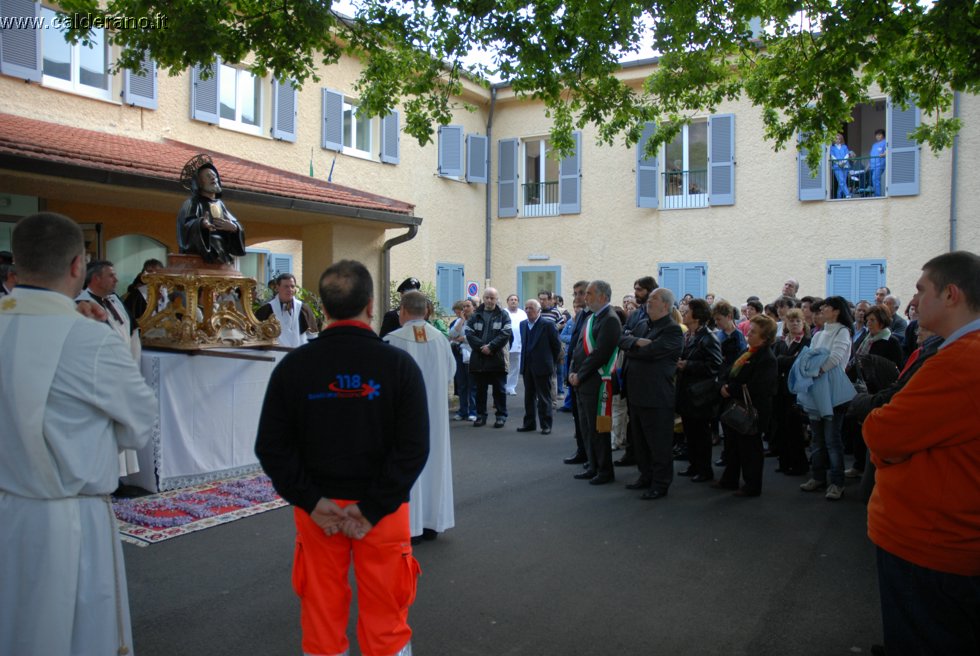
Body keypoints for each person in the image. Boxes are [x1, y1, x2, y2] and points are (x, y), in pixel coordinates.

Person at [0, 212, 156, 656]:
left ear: (17, 266)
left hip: (6, 506)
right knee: (72, 635)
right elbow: (140, 421)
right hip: (67, 520)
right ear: (76, 266)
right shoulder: (88, 338)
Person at [255, 259, 429, 656]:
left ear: (323, 309)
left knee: (321, 617)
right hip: (383, 514)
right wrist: (372, 508)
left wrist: (312, 501)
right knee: (386, 619)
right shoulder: (398, 366)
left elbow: (271, 447)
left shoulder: (294, 367)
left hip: (320, 514)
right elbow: (414, 448)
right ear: (371, 305)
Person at [864, 251, 980, 655]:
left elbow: (881, 432)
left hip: (930, 540)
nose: (913, 302)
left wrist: (889, 453)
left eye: (920, 290)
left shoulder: (959, 361)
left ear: (950, 295)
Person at [385, 290, 456, 544]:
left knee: (407, 465)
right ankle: (432, 523)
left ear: (402, 310)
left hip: (404, 418)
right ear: (426, 311)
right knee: (435, 462)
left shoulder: (392, 340)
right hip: (435, 414)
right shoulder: (440, 339)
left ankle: (409, 524)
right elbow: (450, 372)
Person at [619, 288, 684, 499]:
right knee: (640, 441)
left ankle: (660, 483)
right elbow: (622, 341)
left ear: (665, 305)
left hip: (657, 396)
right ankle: (645, 476)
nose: (648, 302)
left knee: (659, 444)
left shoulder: (672, 331)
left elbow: (652, 352)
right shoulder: (642, 324)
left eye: (653, 299)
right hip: (637, 394)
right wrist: (636, 343)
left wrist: (634, 348)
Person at [792, 295, 857, 500]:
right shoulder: (820, 333)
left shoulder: (843, 331)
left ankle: (837, 482)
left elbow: (837, 358)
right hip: (816, 387)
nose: (821, 312)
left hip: (833, 390)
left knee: (832, 439)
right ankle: (818, 476)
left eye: (825, 308)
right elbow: (810, 355)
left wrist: (817, 369)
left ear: (836, 310)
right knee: (818, 438)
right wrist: (811, 369)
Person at [715, 315, 779, 497]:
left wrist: (730, 388)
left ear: (765, 337)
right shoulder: (748, 352)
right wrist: (723, 385)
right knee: (733, 446)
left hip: (752, 411)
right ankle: (730, 479)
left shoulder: (766, 358)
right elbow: (728, 373)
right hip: (735, 407)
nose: (748, 334)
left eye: (753, 332)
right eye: (749, 330)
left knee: (750, 449)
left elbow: (759, 386)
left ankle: (752, 485)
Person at [569, 280, 622, 485]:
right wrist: (574, 371)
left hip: (597, 382)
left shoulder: (609, 319)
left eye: (589, 294)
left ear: (602, 297)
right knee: (587, 428)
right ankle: (593, 465)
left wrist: (580, 374)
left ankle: (604, 469)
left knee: (599, 429)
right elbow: (579, 349)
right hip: (584, 381)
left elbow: (600, 354)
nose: (585, 297)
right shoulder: (592, 317)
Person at [676, 298, 723, 482]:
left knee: (701, 434)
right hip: (688, 392)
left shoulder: (708, 337)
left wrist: (688, 364)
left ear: (697, 316)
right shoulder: (690, 335)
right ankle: (694, 465)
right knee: (690, 431)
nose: (684, 314)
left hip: (700, 394)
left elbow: (714, 365)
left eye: (687, 311)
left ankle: (704, 470)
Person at [176, 154, 246, 264]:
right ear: (199, 182)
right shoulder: (192, 203)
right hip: (205, 249)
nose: (213, 178)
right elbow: (186, 226)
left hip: (222, 252)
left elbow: (234, 223)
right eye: (208, 176)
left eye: (214, 175)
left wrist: (234, 228)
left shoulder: (220, 204)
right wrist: (200, 224)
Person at [466, 287, 512, 428]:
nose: (489, 300)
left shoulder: (503, 315)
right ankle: (480, 416)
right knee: (480, 390)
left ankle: (500, 416)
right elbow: (469, 333)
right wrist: (482, 347)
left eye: (492, 298)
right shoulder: (475, 315)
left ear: (497, 299)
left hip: (497, 358)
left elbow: (506, 333)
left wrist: (491, 347)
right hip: (479, 359)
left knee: (499, 390)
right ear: (483, 298)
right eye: (487, 297)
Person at [773, 308, 811, 476]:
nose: (795, 324)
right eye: (791, 321)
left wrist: (783, 360)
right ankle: (784, 462)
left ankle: (798, 465)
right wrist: (784, 360)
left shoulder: (806, 342)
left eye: (798, 321)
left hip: (795, 390)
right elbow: (775, 362)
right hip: (780, 389)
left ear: (803, 323)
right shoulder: (781, 341)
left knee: (794, 429)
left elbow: (798, 362)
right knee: (780, 427)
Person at [516, 298, 561, 435]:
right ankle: (529, 423)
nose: (528, 311)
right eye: (527, 308)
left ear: (538, 310)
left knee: (544, 397)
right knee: (528, 397)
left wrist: (550, 362)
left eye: (531, 308)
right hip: (527, 366)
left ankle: (546, 424)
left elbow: (556, 346)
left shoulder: (547, 324)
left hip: (542, 366)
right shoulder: (523, 324)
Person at [255, 273, 320, 348]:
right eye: (286, 286)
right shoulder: (265, 310)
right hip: (276, 356)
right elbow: (257, 339)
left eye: (292, 286)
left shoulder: (304, 309)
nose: (290, 289)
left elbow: (313, 337)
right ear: (277, 287)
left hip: (300, 355)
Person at [448, 299, 477, 421]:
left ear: (473, 307)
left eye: (468, 306)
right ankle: (463, 411)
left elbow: (476, 336)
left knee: (472, 385)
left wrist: (463, 338)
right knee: (462, 385)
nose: (465, 309)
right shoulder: (460, 320)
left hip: (472, 355)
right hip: (460, 355)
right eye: (464, 307)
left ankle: (473, 411)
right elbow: (452, 334)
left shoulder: (477, 320)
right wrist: (462, 320)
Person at [122, 257, 167, 326]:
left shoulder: (170, 293)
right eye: (150, 272)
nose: (154, 275)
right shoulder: (136, 297)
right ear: (144, 275)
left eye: (158, 272)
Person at [504, 293, 528, 395]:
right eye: (511, 299)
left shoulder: (523, 313)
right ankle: (503, 386)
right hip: (505, 343)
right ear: (508, 302)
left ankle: (511, 387)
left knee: (515, 367)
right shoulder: (503, 312)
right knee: (504, 366)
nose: (513, 301)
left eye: (515, 300)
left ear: (518, 302)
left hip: (519, 343)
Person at [830, 132, 852, 199]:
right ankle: (847, 194)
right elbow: (832, 156)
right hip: (837, 166)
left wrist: (843, 162)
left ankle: (838, 197)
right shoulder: (832, 148)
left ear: (841, 140)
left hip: (845, 165)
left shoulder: (844, 147)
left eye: (839, 139)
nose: (837, 140)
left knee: (842, 183)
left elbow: (847, 155)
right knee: (841, 181)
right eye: (836, 139)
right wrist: (838, 163)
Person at [869, 128, 887, 197]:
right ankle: (876, 194)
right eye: (876, 135)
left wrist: (883, 154)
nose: (878, 136)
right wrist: (868, 165)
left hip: (879, 164)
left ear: (883, 135)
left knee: (875, 179)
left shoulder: (885, 142)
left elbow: (887, 151)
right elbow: (871, 155)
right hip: (873, 165)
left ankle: (877, 195)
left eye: (879, 135)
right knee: (873, 180)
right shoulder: (874, 145)